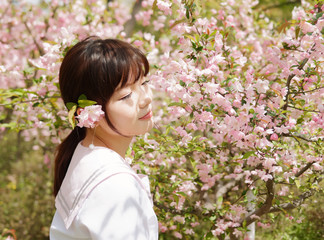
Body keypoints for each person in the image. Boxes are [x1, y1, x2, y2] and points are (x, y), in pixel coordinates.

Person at [50, 36, 158, 239]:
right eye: (126, 95)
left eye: (144, 83)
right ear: (89, 113)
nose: (146, 98)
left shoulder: (83, 154)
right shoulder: (116, 186)